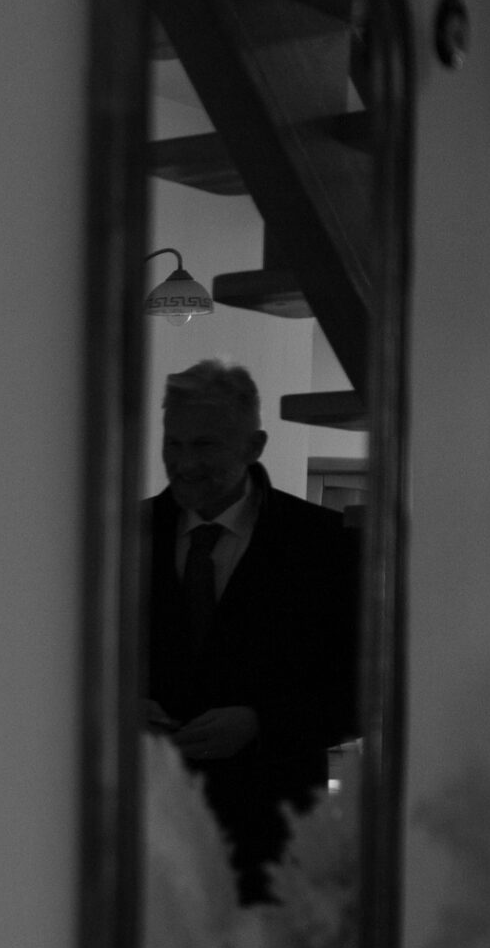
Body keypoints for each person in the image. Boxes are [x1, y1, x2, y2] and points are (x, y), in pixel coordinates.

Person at [143, 360, 357, 901]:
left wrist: (262, 723)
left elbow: (366, 688)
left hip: (273, 843)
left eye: (205, 445)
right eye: (173, 444)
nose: (184, 464)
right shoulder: (120, 534)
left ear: (255, 446)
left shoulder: (326, 545)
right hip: (145, 834)